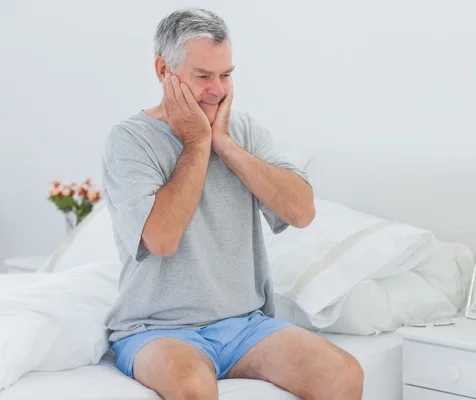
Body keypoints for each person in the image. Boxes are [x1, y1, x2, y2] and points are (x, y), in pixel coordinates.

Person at [101, 7, 364, 400]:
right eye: (203, 76)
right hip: (156, 329)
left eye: (226, 75)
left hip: (246, 326)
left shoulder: (243, 131)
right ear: (163, 71)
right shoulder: (130, 140)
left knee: (344, 374)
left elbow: (301, 212)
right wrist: (197, 144)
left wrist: (224, 145)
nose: (218, 90)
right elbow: (162, 239)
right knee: (192, 387)